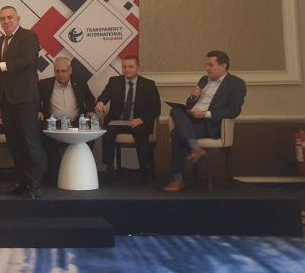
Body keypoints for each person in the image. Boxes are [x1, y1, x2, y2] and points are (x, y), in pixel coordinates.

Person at [0, 6, 44, 199]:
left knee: (30, 144)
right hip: (6, 102)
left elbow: (27, 60)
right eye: (3, 18)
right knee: (15, 145)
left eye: (10, 17)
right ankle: (20, 183)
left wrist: (0, 65)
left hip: (25, 100)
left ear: (18, 18)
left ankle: (34, 186)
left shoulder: (29, 36)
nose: (6, 21)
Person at [163, 50, 246, 193]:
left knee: (177, 133)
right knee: (175, 110)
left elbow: (233, 111)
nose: (206, 68)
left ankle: (177, 179)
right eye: (206, 65)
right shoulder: (203, 80)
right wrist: (193, 97)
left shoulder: (236, 84)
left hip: (209, 124)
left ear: (223, 66)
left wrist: (205, 114)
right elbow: (189, 105)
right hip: (191, 120)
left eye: (210, 65)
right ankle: (195, 148)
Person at [95, 55, 161, 184]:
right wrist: (100, 102)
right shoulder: (114, 82)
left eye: (130, 67)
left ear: (138, 68)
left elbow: (156, 108)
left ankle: (144, 169)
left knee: (140, 131)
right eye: (124, 67)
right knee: (107, 131)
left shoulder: (149, 84)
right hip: (118, 121)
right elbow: (103, 97)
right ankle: (109, 168)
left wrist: (141, 119)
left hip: (138, 121)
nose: (127, 69)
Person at [38, 56, 95, 184]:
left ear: (70, 70)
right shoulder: (44, 84)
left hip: (76, 122)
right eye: (57, 71)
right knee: (43, 133)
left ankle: (81, 168)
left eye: (63, 71)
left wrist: (90, 111)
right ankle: (56, 171)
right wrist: (39, 110)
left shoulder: (80, 83)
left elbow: (90, 100)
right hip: (54, 123)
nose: (60, 74)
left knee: (91, 131)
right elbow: (35, 100)